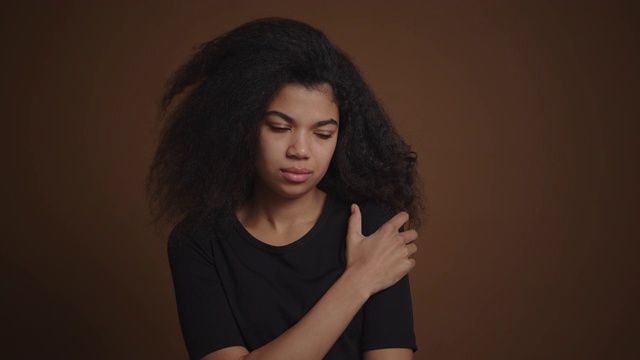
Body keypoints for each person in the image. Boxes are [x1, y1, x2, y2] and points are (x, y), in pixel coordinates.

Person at [147, 17, 424, 360]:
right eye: (280, 128)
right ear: (241, 127)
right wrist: (360, 280)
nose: (301, 150)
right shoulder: (198, 242)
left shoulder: (373, 228)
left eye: (323, 134)